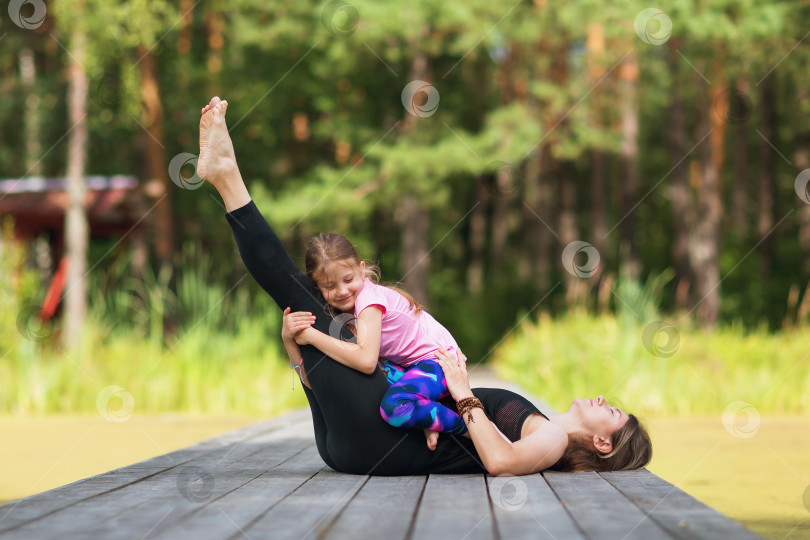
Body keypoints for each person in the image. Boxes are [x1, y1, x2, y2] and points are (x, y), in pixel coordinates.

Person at [198, 95, 652, 475]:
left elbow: (499, 462)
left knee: (301, 296)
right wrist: (298, 353)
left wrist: (463, 390)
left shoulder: (553, 437)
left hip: (378, 444)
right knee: (315, 310)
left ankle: (227, 177)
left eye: (610, 410)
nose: (601, 399)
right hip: (346, 447)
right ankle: (225, 177)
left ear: (601, 443)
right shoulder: (544, 424)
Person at [280, 232, 473, 452]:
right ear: (318, 287)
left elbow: (366, 361)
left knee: (394, 406)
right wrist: (289, 341)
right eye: (330, 286)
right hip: (411, 366)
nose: (342, 291)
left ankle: (466, 430)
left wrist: (313, 337)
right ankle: (425, 416)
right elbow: (317, 382)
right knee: (374, 376)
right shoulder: (341, 316)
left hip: (440, 362)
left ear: (361, 269)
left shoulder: (368, 301)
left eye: (348, 279)